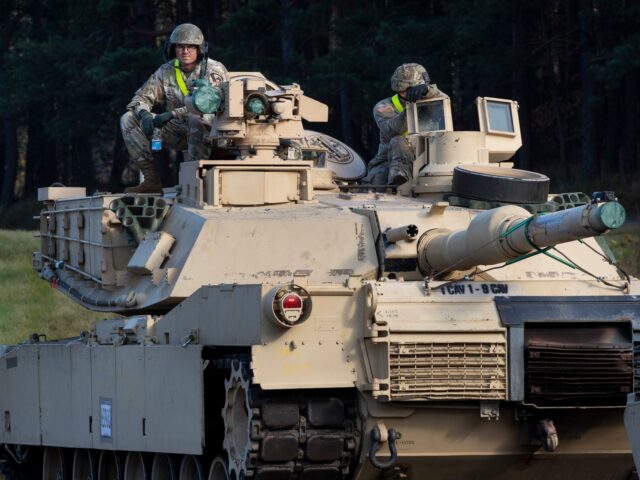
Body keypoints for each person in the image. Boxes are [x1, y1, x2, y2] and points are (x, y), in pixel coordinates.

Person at [121, 23, 228, 193]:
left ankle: (194, 180)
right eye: (180, 46)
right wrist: (144, 114)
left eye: (191, 47)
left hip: (211, 131)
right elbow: (139, 99)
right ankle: (151, 181)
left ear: (200, 49)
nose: (185, 51)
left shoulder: (213, 69)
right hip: (177, 130)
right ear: (173, 49)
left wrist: (171, 114)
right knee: (128, 119)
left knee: (196, 118)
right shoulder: (166, 71)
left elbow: (208, 104)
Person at [364, 63, 445, 186]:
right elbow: (391, 130)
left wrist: (428, 91)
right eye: (400, 90)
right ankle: (401, 181)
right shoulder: (384, 106)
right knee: (398, 141)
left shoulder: (433, 101)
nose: (402, 93)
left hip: (428, 160)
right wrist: (411, 109)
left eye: (407, 89)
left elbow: (445, 103)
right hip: (390, 161)